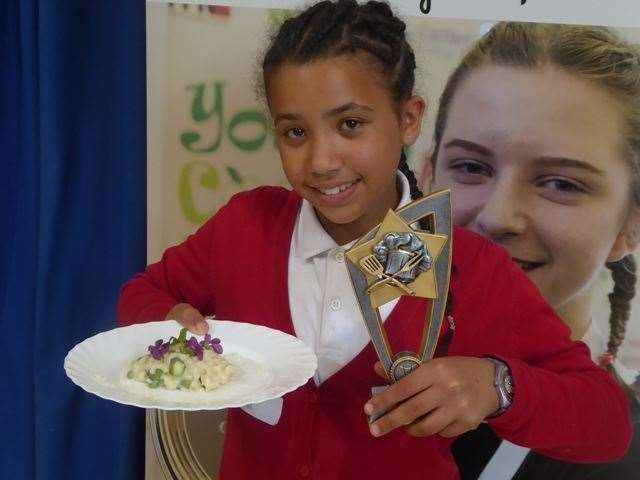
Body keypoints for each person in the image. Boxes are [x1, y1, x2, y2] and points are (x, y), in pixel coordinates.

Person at [118, 3, 632, 479]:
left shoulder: (468, 267)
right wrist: (168, 325)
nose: (322, 160)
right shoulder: (246, 227)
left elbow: (605, 421)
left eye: (350, 124)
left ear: (408, 120)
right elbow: (143, 294)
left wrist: (497, 387)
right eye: (295, 133)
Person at [427, 21, 640, 479]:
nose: (498, 217)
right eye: (470, 166)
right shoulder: (335, 368)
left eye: (560, 183)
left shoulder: (622, 453)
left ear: (630, 223)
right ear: (426, 179)